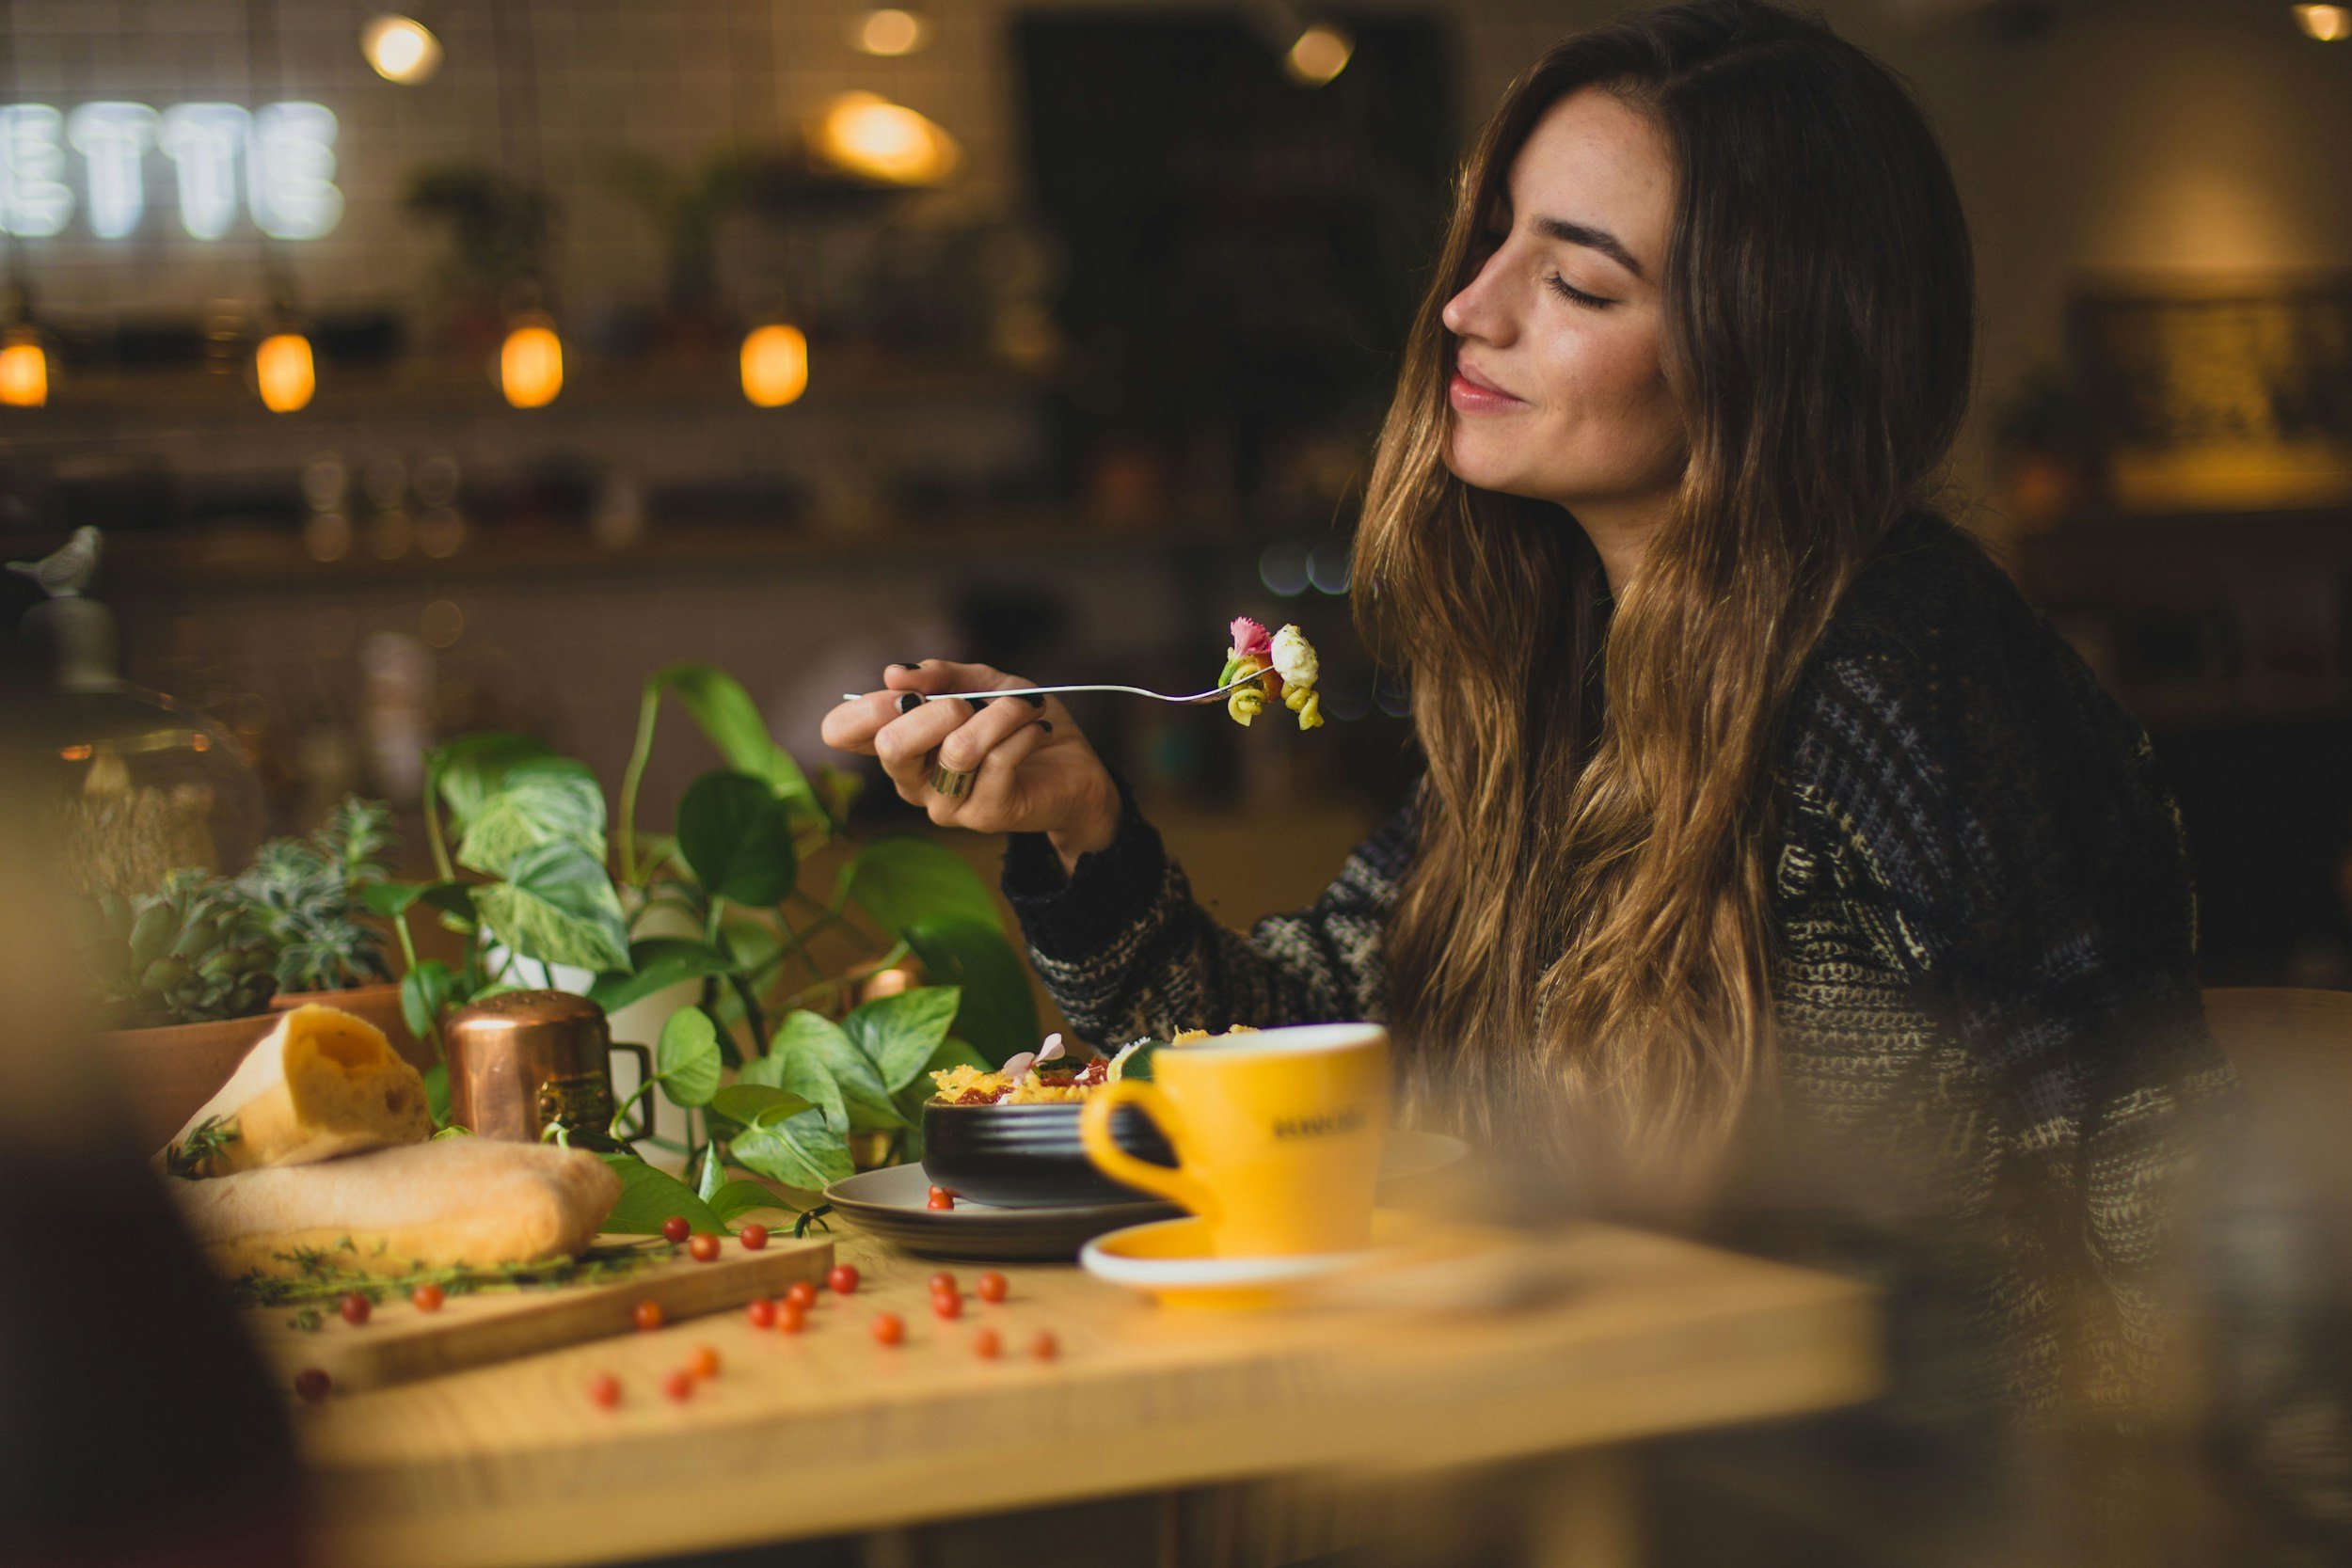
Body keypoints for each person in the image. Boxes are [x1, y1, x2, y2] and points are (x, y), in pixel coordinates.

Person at [824, 0, 2252, 1545]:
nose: (1468, 308)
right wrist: (1083, 832)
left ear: (1768, 345)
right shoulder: (1573, 687)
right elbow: (1306, 1066)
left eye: (1574, 277)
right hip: (1600, 1463)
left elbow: (2144, 1197)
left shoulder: (1909, 682)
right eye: (1494, 239)